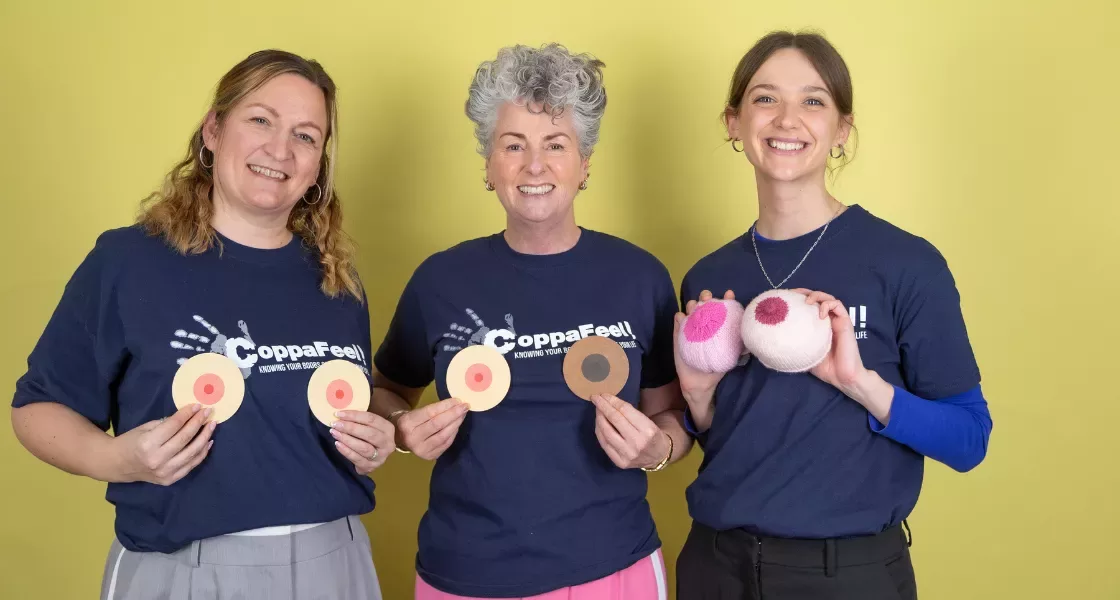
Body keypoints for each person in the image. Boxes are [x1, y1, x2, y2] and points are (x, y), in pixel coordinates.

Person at [9, 49, 391, 600]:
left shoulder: (338, 281)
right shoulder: (128, 262)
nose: (279, 150)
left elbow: (333, 418)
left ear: (318, 163)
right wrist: (114, 459)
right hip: (183, 568)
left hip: (335, 562)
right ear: (213, 129)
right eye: (260, 120)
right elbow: (36, 407)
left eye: (306, 135)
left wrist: (376, 439)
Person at [673, 31, 993, 600]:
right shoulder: (707, 280)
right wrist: (698, 398)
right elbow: (731, 438)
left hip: (846, 575)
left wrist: (859, 383)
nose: (787, 119)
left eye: (813, 100)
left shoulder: (904, 262)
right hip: (715, 566)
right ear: (733, 121)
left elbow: (969, 440)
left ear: (842, 129)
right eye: (765, 98)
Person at [370, 43, 686, 599]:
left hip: (613, 569)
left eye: (555, 145)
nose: (534, 165)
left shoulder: (640, 277)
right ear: (489, 165)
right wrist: (401, 430)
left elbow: (670, 416)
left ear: (584, 164)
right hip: (465, 572)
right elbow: (385, 390)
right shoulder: (441, 281)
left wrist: (657, 450)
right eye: (513, 145)